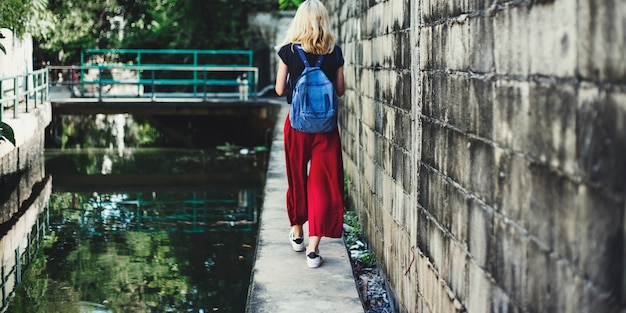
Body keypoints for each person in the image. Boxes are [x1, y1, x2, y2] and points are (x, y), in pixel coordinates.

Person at [274, 0, 346, 268]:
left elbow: (280, 90)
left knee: (296, 179)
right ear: (323, 21)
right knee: (322, 184)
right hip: (326, 131)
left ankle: (297, 233)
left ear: (299, 21)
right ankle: (313, 251)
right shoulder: (335, 52)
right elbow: (340, 90)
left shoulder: (288, 52)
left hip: (297, 127)